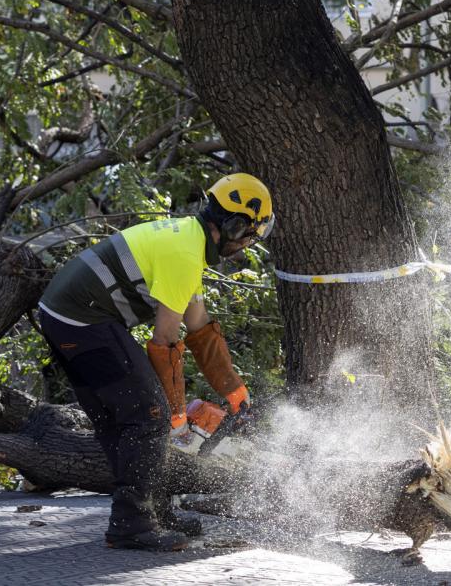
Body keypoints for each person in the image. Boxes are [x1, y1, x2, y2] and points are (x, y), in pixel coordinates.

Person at [38, 173, 274, 551]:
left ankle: (153, 511)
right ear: (233, 225)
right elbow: (164, 342)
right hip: (82, 320)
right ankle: (132, 523)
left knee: (124, 420)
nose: (247, 245)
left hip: (68, 315)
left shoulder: (189, 242)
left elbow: (199, 330)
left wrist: (235, 392)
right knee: (149, 415)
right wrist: (176, 416)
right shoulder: (184, 254)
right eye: (249, 236)